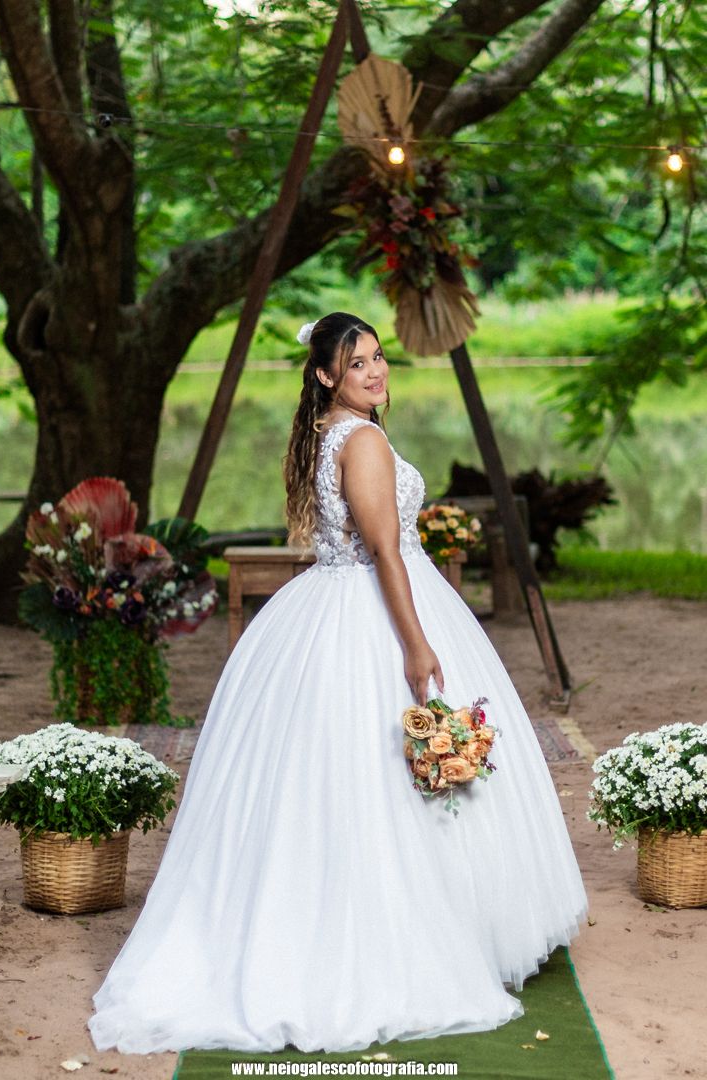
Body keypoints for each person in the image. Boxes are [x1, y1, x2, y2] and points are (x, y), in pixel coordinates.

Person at [89, 312, 587, 1056]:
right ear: (326, 376)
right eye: (358, 364)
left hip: (326, 604)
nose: (376, 372)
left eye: (379, 358)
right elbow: (385, 552)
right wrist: (415, 645)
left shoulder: (325, 434)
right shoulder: (363, 441)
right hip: (374, 612)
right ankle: (405, 939)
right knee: (394, 773)